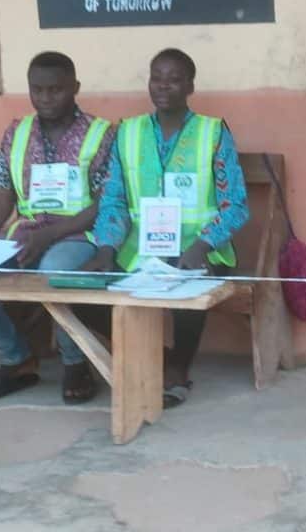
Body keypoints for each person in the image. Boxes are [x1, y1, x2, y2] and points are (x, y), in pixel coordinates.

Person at [83, 48, 249, 409]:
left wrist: (201, 246)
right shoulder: (128, 132)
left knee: (188, 285)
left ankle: (178, 368)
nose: (163, 86)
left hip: (200, 249)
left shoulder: (213, 132)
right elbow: (113, 200)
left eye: (174, 79)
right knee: (81, 296)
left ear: (190, 85)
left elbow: (235, 205)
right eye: (157, 77)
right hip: (139, 250)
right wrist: (106, 248)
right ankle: (158, 354)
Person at [0, 51, 115, 404]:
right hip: (22, 235)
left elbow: (105, 203)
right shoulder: (17, 133)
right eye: (37, 90)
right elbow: (0, 200)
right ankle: (17, 359)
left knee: (56, 271)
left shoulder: (102, 134)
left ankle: (75, 362)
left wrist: (50, 235)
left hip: (78, 234)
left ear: (75, 88)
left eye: (56, 89)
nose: (46, 98)